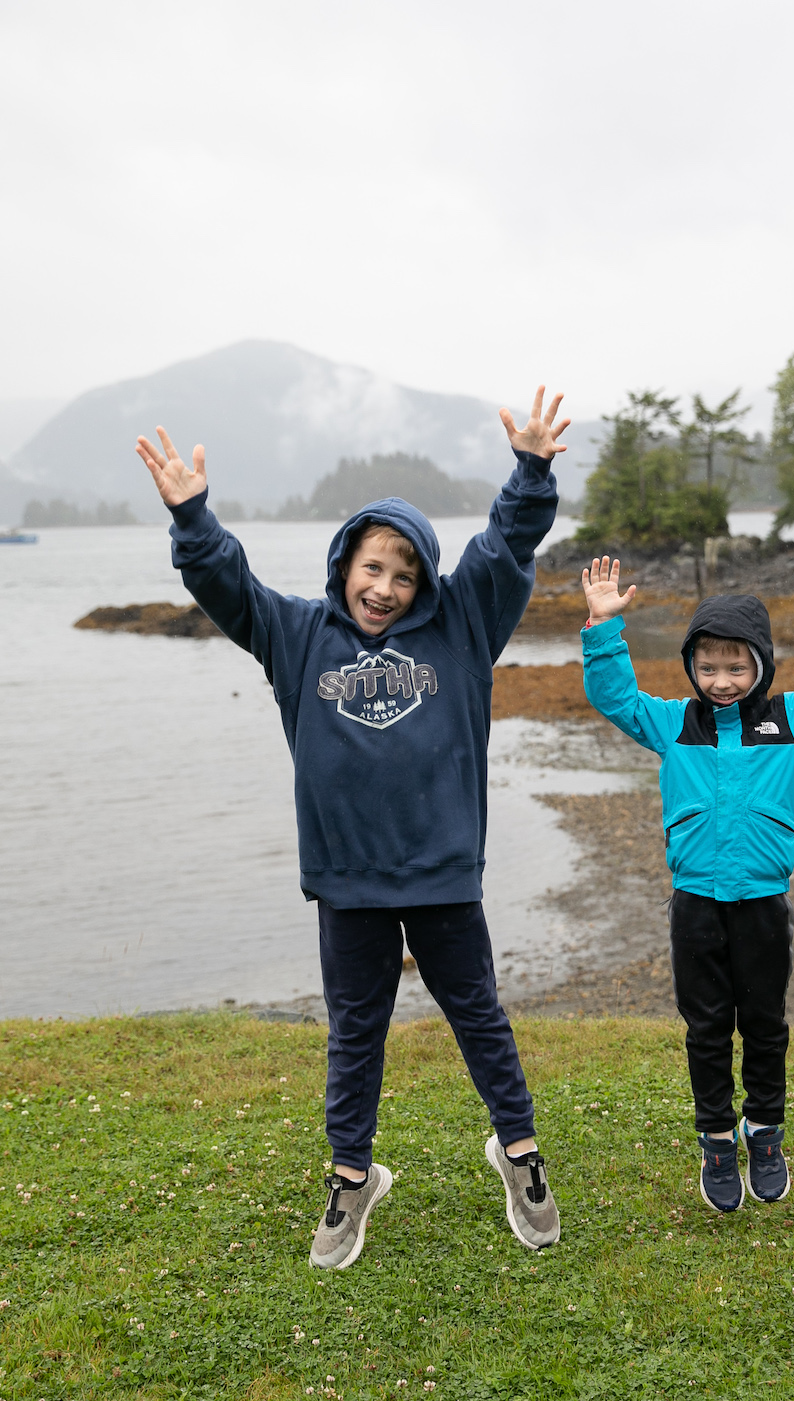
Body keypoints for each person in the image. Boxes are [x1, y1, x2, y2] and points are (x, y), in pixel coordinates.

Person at [135, 389, 570, 1266]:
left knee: (479, 1015)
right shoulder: (298, 636)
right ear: (343, 566)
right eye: (373, 568)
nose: (385, 587)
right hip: (347, 884)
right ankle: (351, 1177)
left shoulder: (462, 626)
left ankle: (518, 1154)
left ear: (426, 585)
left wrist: (529, 473)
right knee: (354, 1031)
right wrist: (192, 515)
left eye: (405, 574)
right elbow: (227, 583)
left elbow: (504, 547)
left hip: (444, 873)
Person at [579, 556, 794, 1212]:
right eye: (707, 668)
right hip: (696, 906)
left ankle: (764, 1132)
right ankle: (717, 1137)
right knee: (707, 1027)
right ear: (691, 668)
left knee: (765, 1024)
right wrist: (604, 626)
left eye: (736, 668)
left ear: (762, 666)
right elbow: (615, 697)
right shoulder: (673, 724)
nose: (721, 681)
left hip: (764, 906)